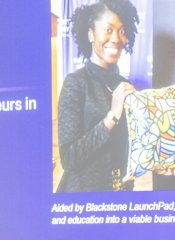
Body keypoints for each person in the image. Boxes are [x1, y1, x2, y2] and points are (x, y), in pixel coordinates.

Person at [56, 0, 139, 192]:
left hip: (122, 197)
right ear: (91, 34)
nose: (116, 38)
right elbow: (69, 158)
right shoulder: (75, 83)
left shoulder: (125, 86)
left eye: (122, 30)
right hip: (85, 199)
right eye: (108, 30)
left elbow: (133, 149)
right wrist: (112, 116)